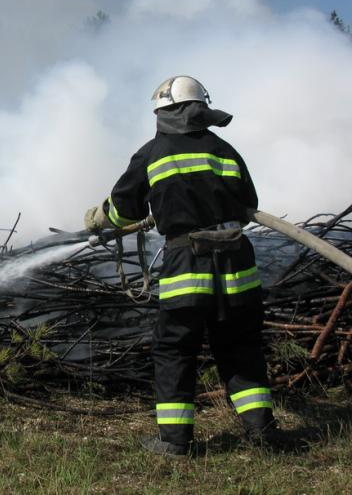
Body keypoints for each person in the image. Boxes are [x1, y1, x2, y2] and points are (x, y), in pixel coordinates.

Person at [84, 76, 279, 457]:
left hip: (189, 265)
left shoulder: (152, 154)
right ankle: (263, 430)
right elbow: (247, 204)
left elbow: (124, 211)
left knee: (175, 350)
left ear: (163, 113)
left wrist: (98, 217)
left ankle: (174, 442)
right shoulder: (224, 150)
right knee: (241, 347)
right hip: (238, 266)